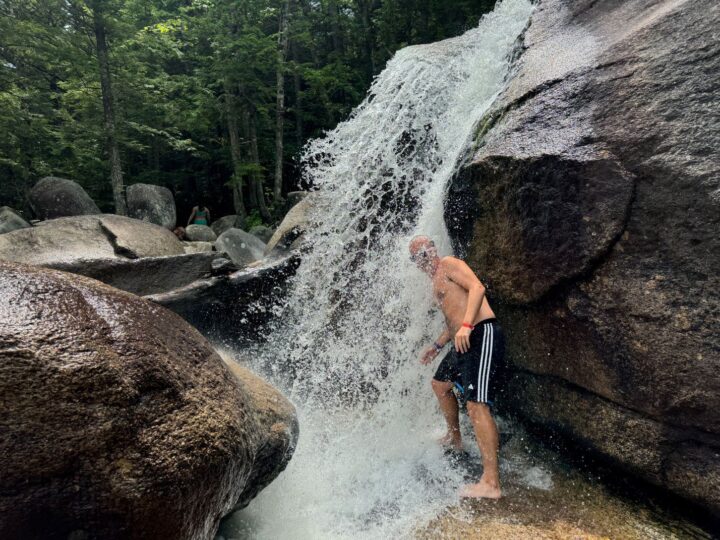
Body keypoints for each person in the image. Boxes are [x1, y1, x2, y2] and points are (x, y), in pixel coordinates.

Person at [410, 235, 506, 499]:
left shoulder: (449, 264)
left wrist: (466, 326)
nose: (423, 259)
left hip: (480, 333)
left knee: (476, 404)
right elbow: (452, 319)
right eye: (416, 256)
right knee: (440, 385)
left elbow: (477, 288)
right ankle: (455, 439)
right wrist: (438, 345)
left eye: (426, 251)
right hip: (462, 341)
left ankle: (491, 483)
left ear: (434, 250)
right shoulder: (435, 283)